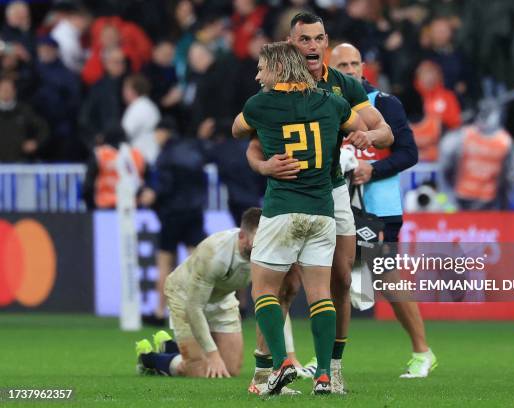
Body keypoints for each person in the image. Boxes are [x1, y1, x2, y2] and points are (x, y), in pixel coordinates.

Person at [245, 12, 393, 395]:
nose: (313, 46)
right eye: (304, 40)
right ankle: (268, 370)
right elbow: (254, 148)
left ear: (325, 41)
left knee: (339, 279)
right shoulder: (284, 92)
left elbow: (383, 130)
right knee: (288, 287)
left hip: (331, 192)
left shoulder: (340, 86)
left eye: (318, 39)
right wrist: (265, 165)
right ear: (290, 45)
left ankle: (326, 368)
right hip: (308, 197)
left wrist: (368, 137)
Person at [330, 42, 437, 378]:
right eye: (342, 65)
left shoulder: (384, 104)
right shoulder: (325, 103)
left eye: (354, 63)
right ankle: (329, 361)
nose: (350, 70)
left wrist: (371, 170)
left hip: (379, 208)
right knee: (332, 280)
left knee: (388, 278)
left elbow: (409, 153)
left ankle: (423, 351)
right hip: (336, 204)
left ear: (364, 67)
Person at [134, 208, 263, 378]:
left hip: (222, 298)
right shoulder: (215, 254)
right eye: (258, 237)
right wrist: (213, 355)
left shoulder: (267, 252)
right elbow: (194, 307)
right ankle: (149, 359)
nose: (264, 242)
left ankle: (169, 347)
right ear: (241, 236)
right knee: (201, 371)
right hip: (185, 296)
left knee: (230, 370)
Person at [138, 118, 208, 326]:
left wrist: (152, 195)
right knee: (196, 266)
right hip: (194, 214)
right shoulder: (193, 151)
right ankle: (198, 311)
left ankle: (160, 312)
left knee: (164, 265)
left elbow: (164, 186)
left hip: (171, 216)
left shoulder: (165, 156)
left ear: (164, 133)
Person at [82, 126, 145, 210]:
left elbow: (88, 185)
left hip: (105, 207)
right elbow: (145, 181)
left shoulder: (99, 154)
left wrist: (90, 207)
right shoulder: (137, 154)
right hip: (132, 207)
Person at [121, 74, 161, 164]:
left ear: (134, 90)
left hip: (142, 159)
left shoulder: (138, 107)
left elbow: (124, 133)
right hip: (152, 155)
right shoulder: (150, 105)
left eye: (126, 88)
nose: (123, 92)